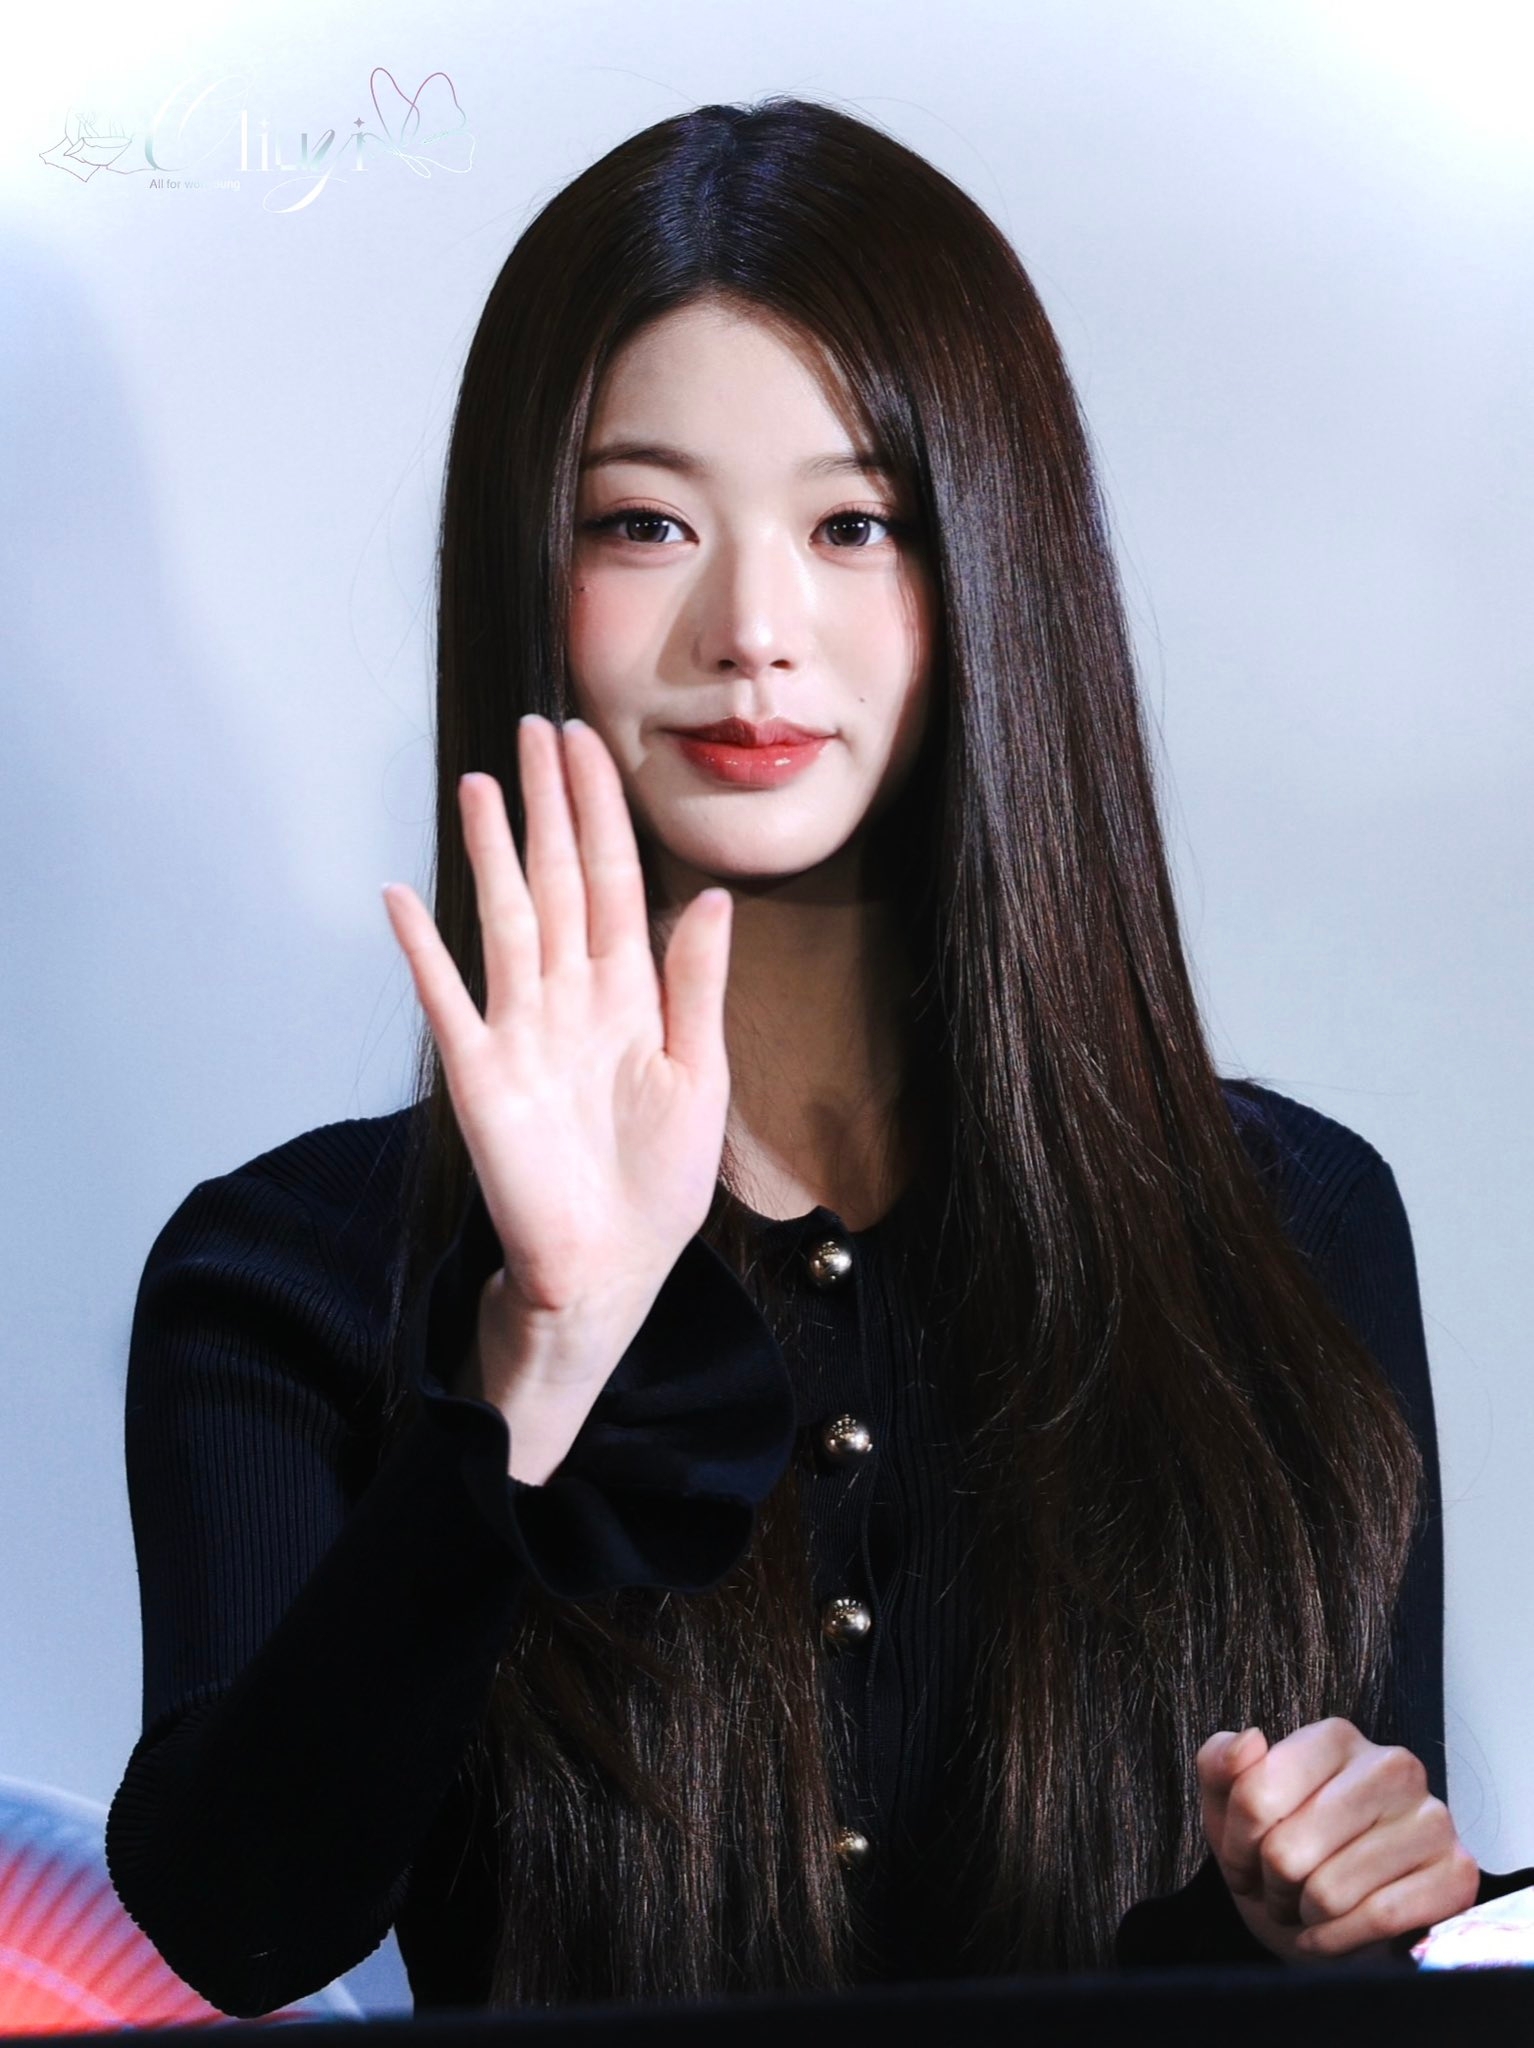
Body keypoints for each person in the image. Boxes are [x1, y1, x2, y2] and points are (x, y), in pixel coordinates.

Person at [103, 95, 1531, 2019]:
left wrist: (1305, 1918)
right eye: (643, 523)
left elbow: (1341, 1935)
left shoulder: (1295, 1226)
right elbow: (238, 1921)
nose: (754, 630)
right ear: (525, 573)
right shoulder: (283, 1273)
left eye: (855, 525)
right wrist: (539, 1356)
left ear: (994, 566)